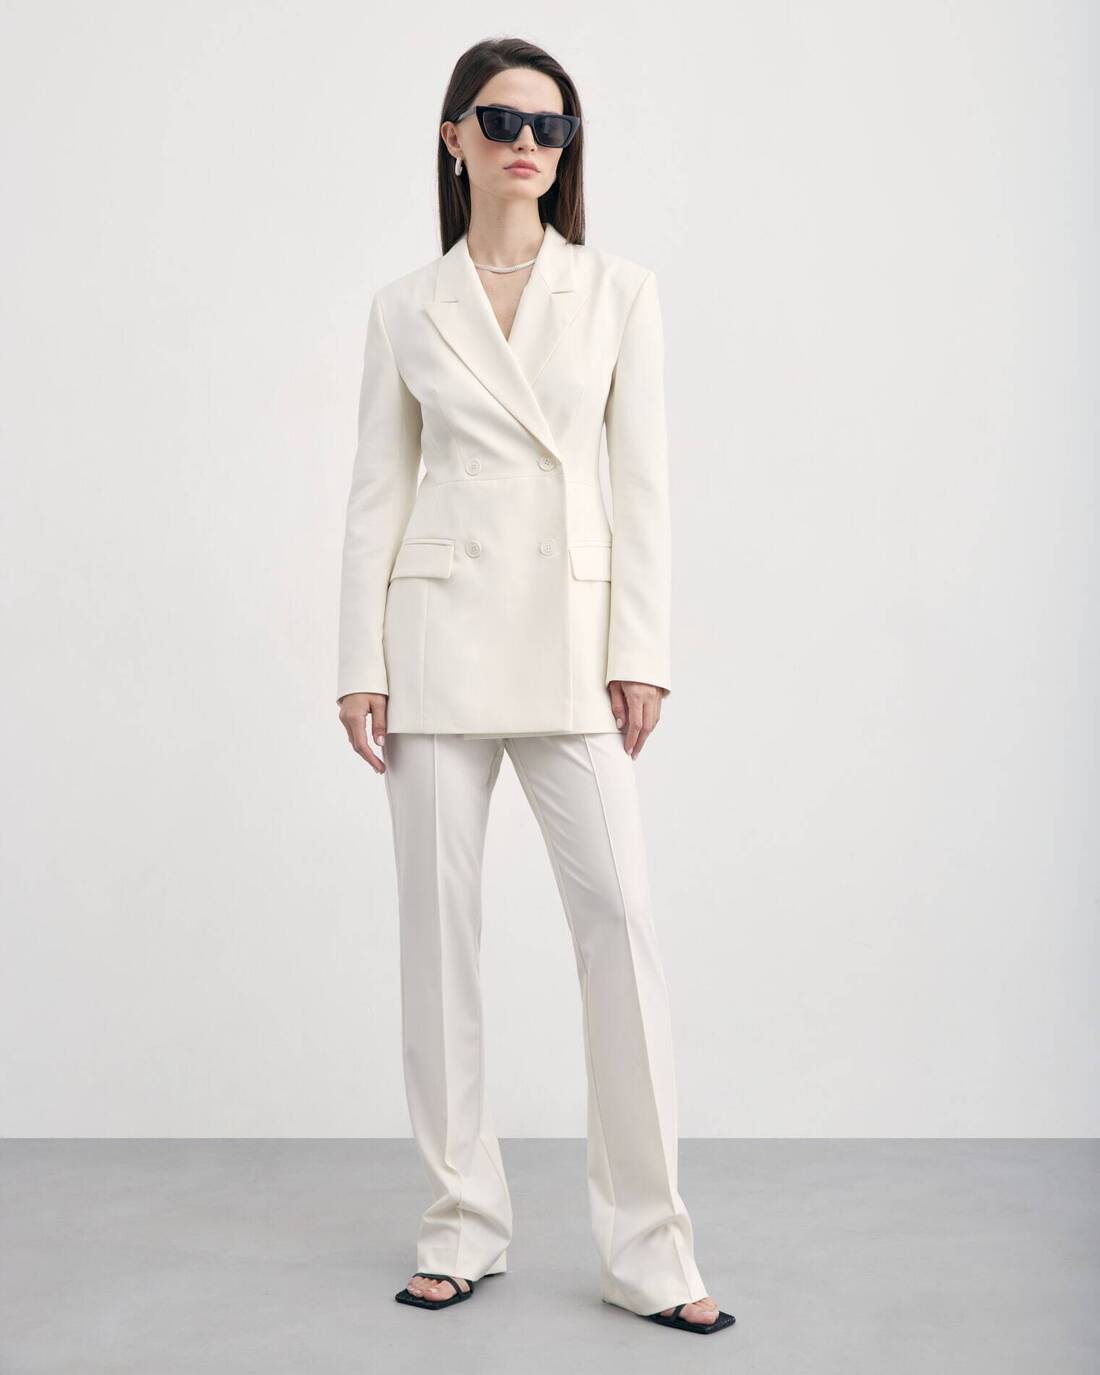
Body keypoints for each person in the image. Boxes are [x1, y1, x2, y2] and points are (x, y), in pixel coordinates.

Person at [335, 36, 735, 1337]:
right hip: (435, 643)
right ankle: (460, 1224)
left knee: (620, 925)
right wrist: (358, 664)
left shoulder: (618, 292)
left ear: (569, 150)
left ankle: (651, 1250)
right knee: (438, 940)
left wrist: (641, 650)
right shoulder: (406, 306)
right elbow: (375, 496)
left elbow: (643, 486)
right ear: (453, 137)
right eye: (501, 120)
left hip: (571, 644)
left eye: (550, 127)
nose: (527, 143)